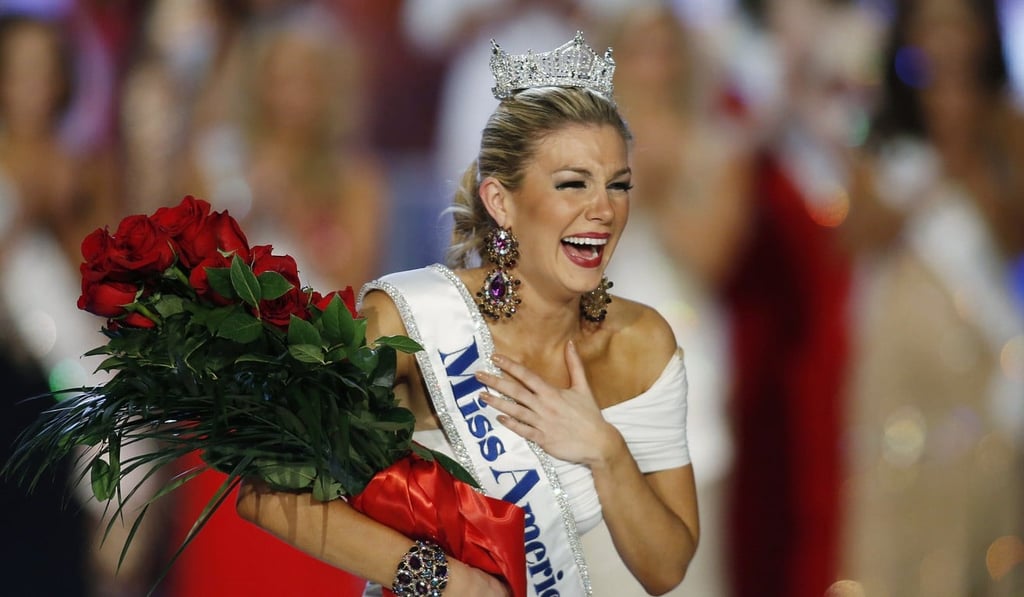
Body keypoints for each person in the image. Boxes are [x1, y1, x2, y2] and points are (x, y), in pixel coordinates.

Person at [236, 32, 699, 596]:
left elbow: (666, 568)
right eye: (573, 184)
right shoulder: (410, 318)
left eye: (618, 185)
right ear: (501, 201)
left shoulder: (641, 341)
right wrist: (446, 581)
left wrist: (605, 450)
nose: (602, 210)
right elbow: (269, 486)